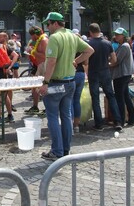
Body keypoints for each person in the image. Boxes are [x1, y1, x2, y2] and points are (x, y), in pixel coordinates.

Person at [37, 12, 93, 160]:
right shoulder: (72, 36)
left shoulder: (55, 38)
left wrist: (45, 83)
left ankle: (56, 151)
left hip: (56, 83)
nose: (47, 27)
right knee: (66, 116)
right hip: (70, 82)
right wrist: (76, 61)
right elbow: (89, 50)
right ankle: (66, 149)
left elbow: (51, 62)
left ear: (55, 23)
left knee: (53, 118)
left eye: (48, 24)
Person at [87, 23, 124, 132]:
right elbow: (114, 60)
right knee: (111, 96)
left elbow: (86, 60)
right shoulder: (108, 43)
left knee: (95, 98)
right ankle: (117, 121)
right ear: (99, 30)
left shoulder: (89, 43)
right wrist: (107, 64)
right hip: (105, 72)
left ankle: (99, 124)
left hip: (93, 72)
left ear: (90, 32)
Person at [109, 28, 134, 127]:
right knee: (125, 97)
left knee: (120, 98)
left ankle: (120, 121)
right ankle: (132, 119)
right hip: (124, 75)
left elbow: (116, 61)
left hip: (121, 75)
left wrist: (107, 64)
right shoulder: (123, 46)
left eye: (118, 34)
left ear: (124, 36)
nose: (116, 36)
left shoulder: (124, 46)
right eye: (115, 34)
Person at [24, 25, 48, 116]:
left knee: (44, 88)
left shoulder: (44, 40)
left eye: (32, 35)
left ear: (35, 34)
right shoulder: (38, 40)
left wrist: (33, 51)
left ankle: (47, 108)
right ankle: (35, 106)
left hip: (43, 66)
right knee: (36, 87)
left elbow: (45, 56)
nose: (31, 37)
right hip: (38, 66)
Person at [71, 30, 88, 133]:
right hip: (81, 74)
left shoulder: (70, 48)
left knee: (68, 101)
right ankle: (76, 125)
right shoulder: (82, 49)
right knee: (76, 100)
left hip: (71, 74)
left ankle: (69, 124)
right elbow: (86, 62)